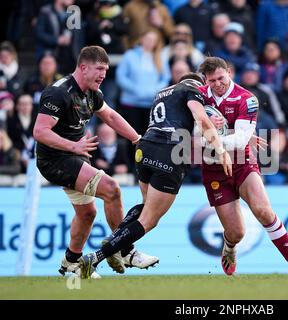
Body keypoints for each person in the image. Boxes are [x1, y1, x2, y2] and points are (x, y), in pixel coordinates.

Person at [78, 73, 232, 278]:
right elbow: (200, 119)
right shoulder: (194, 91)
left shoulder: (163, 93)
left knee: (146, 204)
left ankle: (115, 240)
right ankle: (96, 257)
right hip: (169, 152)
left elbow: (177, 123)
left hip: (145, 147)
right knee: (150, 219)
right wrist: (220, 148)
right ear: (200, 84)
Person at [33, 46, 157, 278]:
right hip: (54, 159)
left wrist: (137, 140)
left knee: (87, 213)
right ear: (83, 67)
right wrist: (74, 146)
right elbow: (39, 132)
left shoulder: (92, 93)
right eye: (99, 69)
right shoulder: (58, 93)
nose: (103, 75)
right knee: (112, 190)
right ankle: (124, 250)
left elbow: (110, 116)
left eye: (106, 70)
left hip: (75, 156)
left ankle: (71, 263)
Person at [197, 57, 288, 278]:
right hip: (213, 168)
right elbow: (191, 139)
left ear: (229, 72)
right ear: (206, 80)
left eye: (221, 78)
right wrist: (207, 135)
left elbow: (241, 142)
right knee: (236, 232)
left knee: (263, 210)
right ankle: (229, 246)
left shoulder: (247, 99)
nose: (217, 84)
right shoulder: (198, 96)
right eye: (212, 80)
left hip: (242, 162)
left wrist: (212, 137)